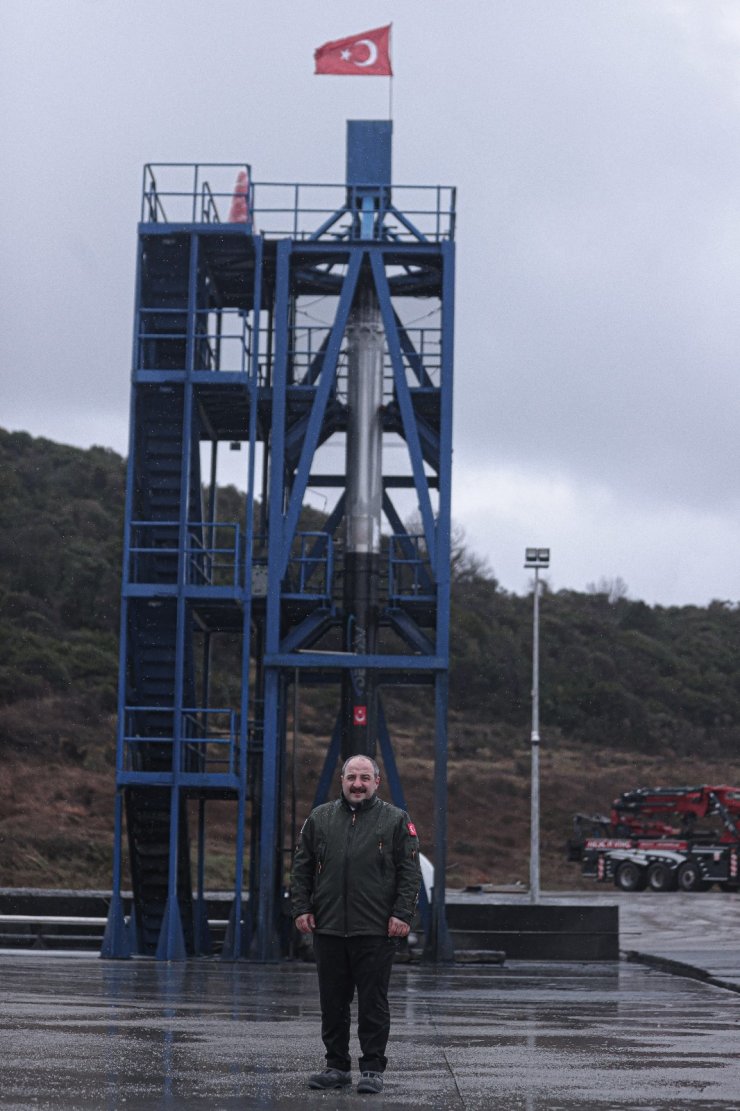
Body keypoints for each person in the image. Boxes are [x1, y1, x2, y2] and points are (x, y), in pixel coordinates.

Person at [291, 753, 422, 1095]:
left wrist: (401, 914)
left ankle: (372, 1069)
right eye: (352, 777)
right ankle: (336, 1066)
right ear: (342, 780)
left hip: (375, 930)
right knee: (332, 1002)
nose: (358, 784)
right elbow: (301, 867)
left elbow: (410, 874)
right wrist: (301, 907)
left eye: (365, 778)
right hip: (330, 927)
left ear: (376, 782)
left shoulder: (395, 820)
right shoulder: (320, 819)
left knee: (372, 1003)